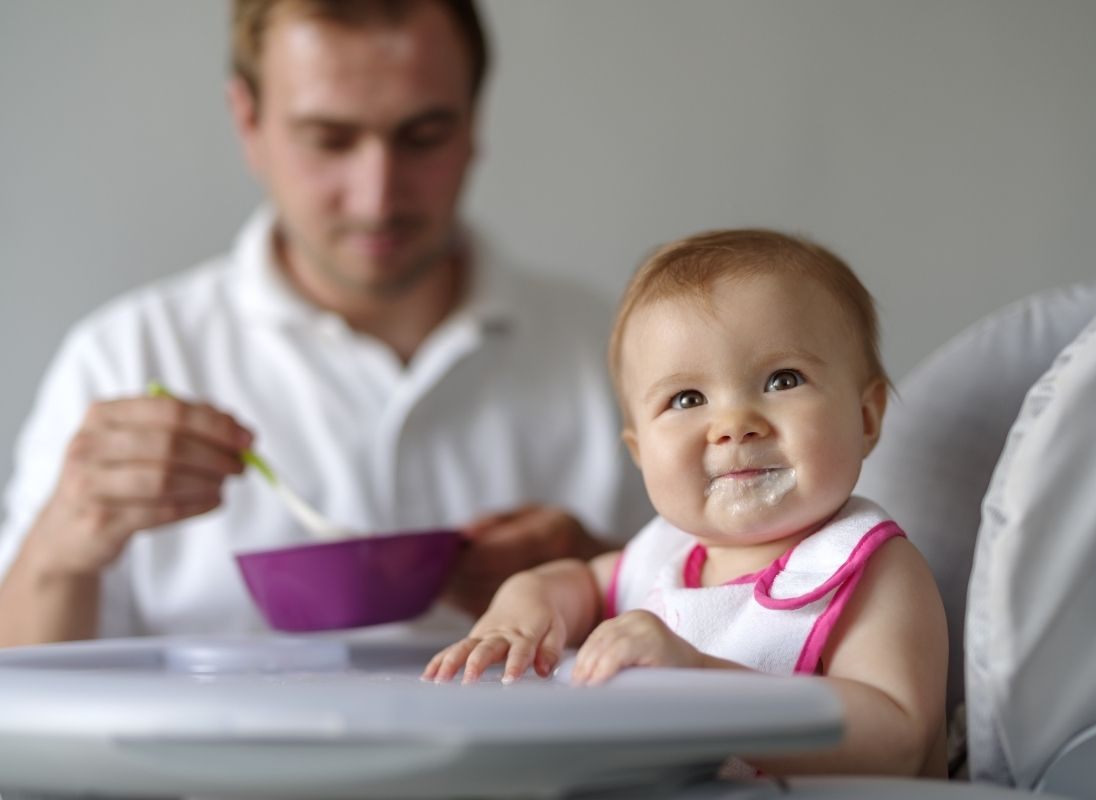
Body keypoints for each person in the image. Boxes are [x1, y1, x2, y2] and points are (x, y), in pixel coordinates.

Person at [0, 0, 651, 647]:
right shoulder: (125, 357)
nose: (377, 197)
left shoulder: (611, 351)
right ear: (247, 120)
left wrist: (606, 576)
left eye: (422, 136)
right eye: (329, 140)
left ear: (473, 123)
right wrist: (58, 553)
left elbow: (736, 637)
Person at [425, 229, 948, 777]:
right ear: (640, 453)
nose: (734, 425)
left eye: (782, 379)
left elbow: (898, 738)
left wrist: (698, 678)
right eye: (687, 398)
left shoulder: (868, 568)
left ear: (866, 418)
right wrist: (523, 604)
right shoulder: (664, 556)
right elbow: (577, 583)